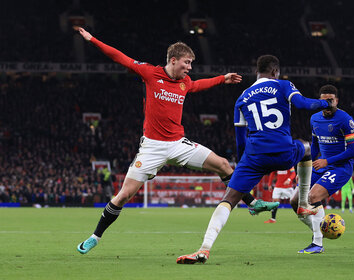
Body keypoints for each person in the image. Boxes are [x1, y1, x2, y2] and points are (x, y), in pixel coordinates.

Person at [74, 27, 278, 255]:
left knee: (222, 164)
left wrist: (223, 79)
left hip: (178, 144)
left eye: (191, 64)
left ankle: (252, 204)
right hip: (152, 147)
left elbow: (199, 84)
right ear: (173, 60)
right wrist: (92, 39)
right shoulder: (150, 73)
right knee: (123, 196)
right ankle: (95, 237)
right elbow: (119, 57)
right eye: (187, 63)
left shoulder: (185, 82)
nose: (189, 68)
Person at [176, 55, 331, 264]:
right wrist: (325, 103)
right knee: (306, 149)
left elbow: (240, 138)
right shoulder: (283, 85)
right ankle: (303, 202)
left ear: (257, 72)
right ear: (275, 71)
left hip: (254, 156)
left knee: (228, 199)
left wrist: (243, 166)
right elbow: (303, 104)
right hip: (283, 152)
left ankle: (204, 248)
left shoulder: (243, 96)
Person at [290, 84, 354, 254]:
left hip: (340, 168)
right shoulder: (314, 119)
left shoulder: (345, 119)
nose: (328, 104)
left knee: (313, 196)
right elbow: (314, 145)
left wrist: (327, 161)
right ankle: (319, 230)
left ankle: (317, 242)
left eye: (331, 101)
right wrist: (305, 170)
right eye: (324, 101)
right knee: (295, 201)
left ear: (337, 100)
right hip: (320, 165)